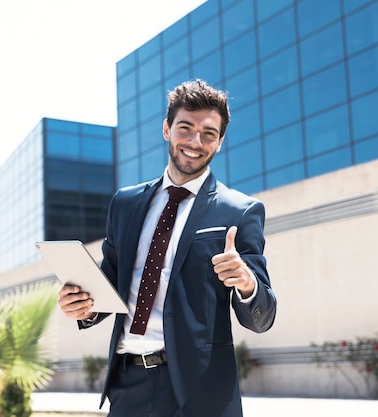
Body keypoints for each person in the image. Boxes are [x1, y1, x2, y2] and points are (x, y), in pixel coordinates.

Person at [58, 79, 277, 417]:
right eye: (185, 128)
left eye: (208, 133)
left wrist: (246, 283)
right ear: (166, 129)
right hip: (128, 385)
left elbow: (263, 317)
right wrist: (82, 306)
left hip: (200, 392)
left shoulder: (239, 211)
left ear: (220, 142)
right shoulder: (125, 204)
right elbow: (110, 285)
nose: (195, 141)